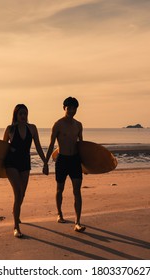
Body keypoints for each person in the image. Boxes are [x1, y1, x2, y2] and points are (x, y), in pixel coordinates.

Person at [3, 104, 48, 238]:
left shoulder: (32, 128)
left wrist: (45, 162)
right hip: (11, 163)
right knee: (18, 193)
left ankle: (16, 213)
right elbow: (2, 148)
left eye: (25, 113)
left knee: (22, 194)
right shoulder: (10, 129)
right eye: (21, 114)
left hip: (25, 163)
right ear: (16, 115)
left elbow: (38, 146)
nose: (23, 116)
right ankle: (16, 227)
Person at [45, 97, 86, 232]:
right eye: (69, 108)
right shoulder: (58, 124)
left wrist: (85, 165)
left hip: (75, 160)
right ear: (64, 108)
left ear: (76, 110)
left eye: (74, 108)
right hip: (62, 159)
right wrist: (45, 163)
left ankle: (77, 222)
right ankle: (59, 213)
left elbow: (82, 146)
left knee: (77, 191)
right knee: (59, 189)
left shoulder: (78, 125)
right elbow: (51, 145)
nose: (71, 110)